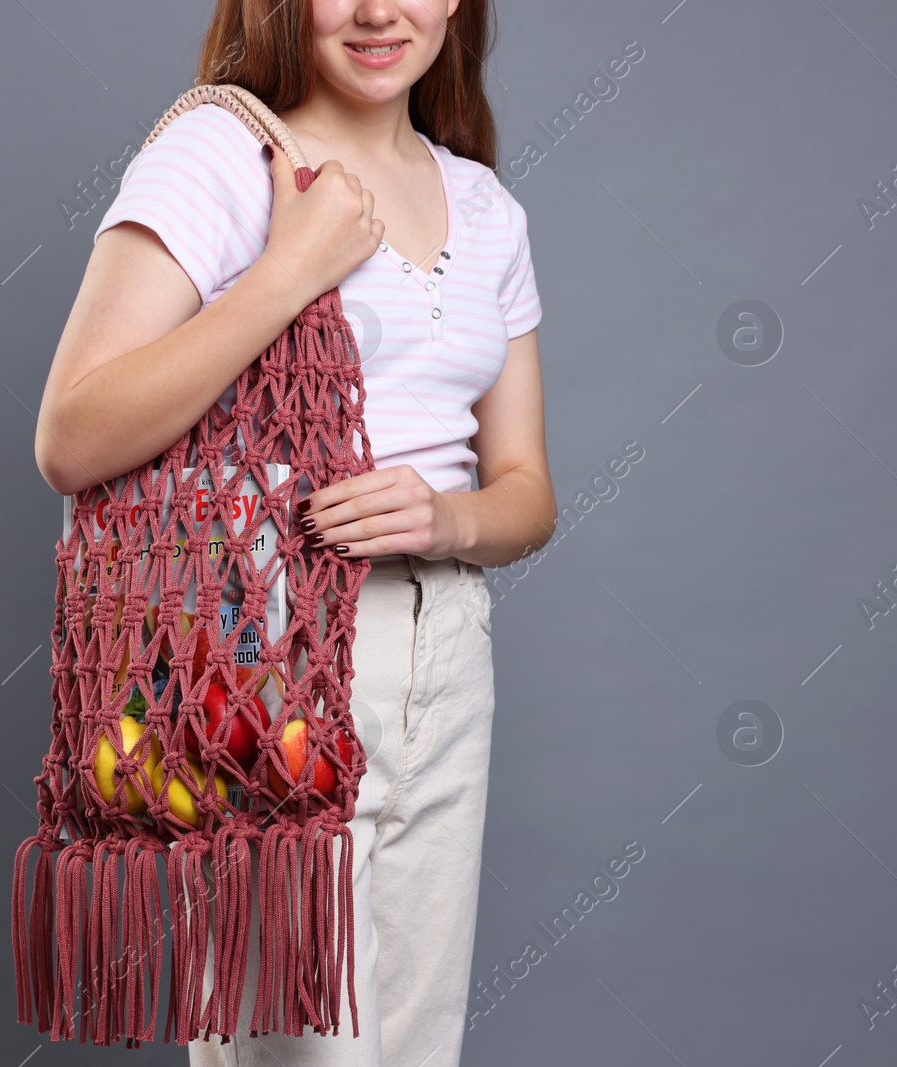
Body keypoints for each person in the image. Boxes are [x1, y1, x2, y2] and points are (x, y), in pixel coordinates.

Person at [32, 1, 556, 1064]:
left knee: (415, 1046)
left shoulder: (486, 206)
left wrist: (447, 515)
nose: (377, 11)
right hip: (270, 648)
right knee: (301, 1052)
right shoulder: (222, 156)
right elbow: (71, 436)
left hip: (444, 646)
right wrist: (291, 268)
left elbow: (525, 491)